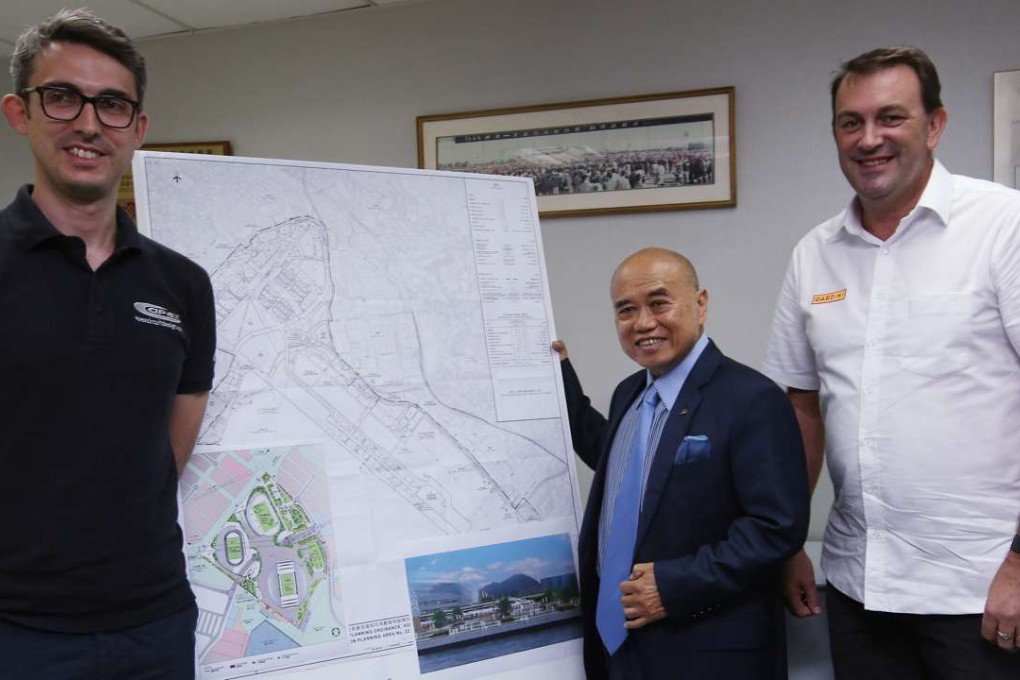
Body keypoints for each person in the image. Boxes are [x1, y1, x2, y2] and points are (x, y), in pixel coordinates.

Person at [764, 45, 1020, 678]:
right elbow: (801, 406)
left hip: (981, 589)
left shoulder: (1003, 227)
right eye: (851, 122)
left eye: (891, 117)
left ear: (934, 125)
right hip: (860, 587)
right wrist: (789, 540)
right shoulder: (814, 255)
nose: (869, 138)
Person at [0, 9, 215, 679]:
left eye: (113, 105)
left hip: (154, 622)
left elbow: (170, 449)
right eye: (62, 97)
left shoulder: (183, 284)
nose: (89, 123)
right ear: (19, 112)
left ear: (138, 129)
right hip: (16, 628)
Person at [554, 247, 809, 679]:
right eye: (626, 310)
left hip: (705, 650)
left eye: (658, 302)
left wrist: (672, 587)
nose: (643, 323)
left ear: (700, 304)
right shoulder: (629, 393)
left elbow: (776, 527)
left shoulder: (751, 398)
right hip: (622, 648)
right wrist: (555, 372)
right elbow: (622, 465)